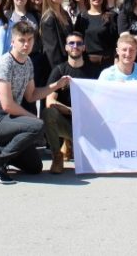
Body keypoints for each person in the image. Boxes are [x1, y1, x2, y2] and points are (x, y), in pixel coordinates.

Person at [0, 22, 71, 183]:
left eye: (30, 40)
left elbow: (31, 95)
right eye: (22, 40)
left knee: (34, 167)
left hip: (9, 120)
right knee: (37, 125)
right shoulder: (4, 64)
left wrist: (56, 85)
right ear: (12, 41)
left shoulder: (28, 62)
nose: (26, 44)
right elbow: (7, 105)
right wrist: (32, 118)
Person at [42, 31, 98, 174]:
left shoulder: (93, 71)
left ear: (84, 48)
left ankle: (71, 145)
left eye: (79, 43)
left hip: (88, 125)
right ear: (66, 48)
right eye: (71, 43)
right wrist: (71, 110)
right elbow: (50, 101)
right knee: (48, 113)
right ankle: (57, 156)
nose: (75, 46)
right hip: (66, 123)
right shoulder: (59, 70)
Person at [39, 0, 77, 69]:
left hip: (70, 61)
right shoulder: (48, 19)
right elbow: (52, 50)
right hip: (58, 66)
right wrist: (60, 70)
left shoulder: (65, 14)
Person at [82, 0, 117, 67]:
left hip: (107, 63)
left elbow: (116, 41)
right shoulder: (82, 17)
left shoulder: (112, 16)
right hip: (86, 64)